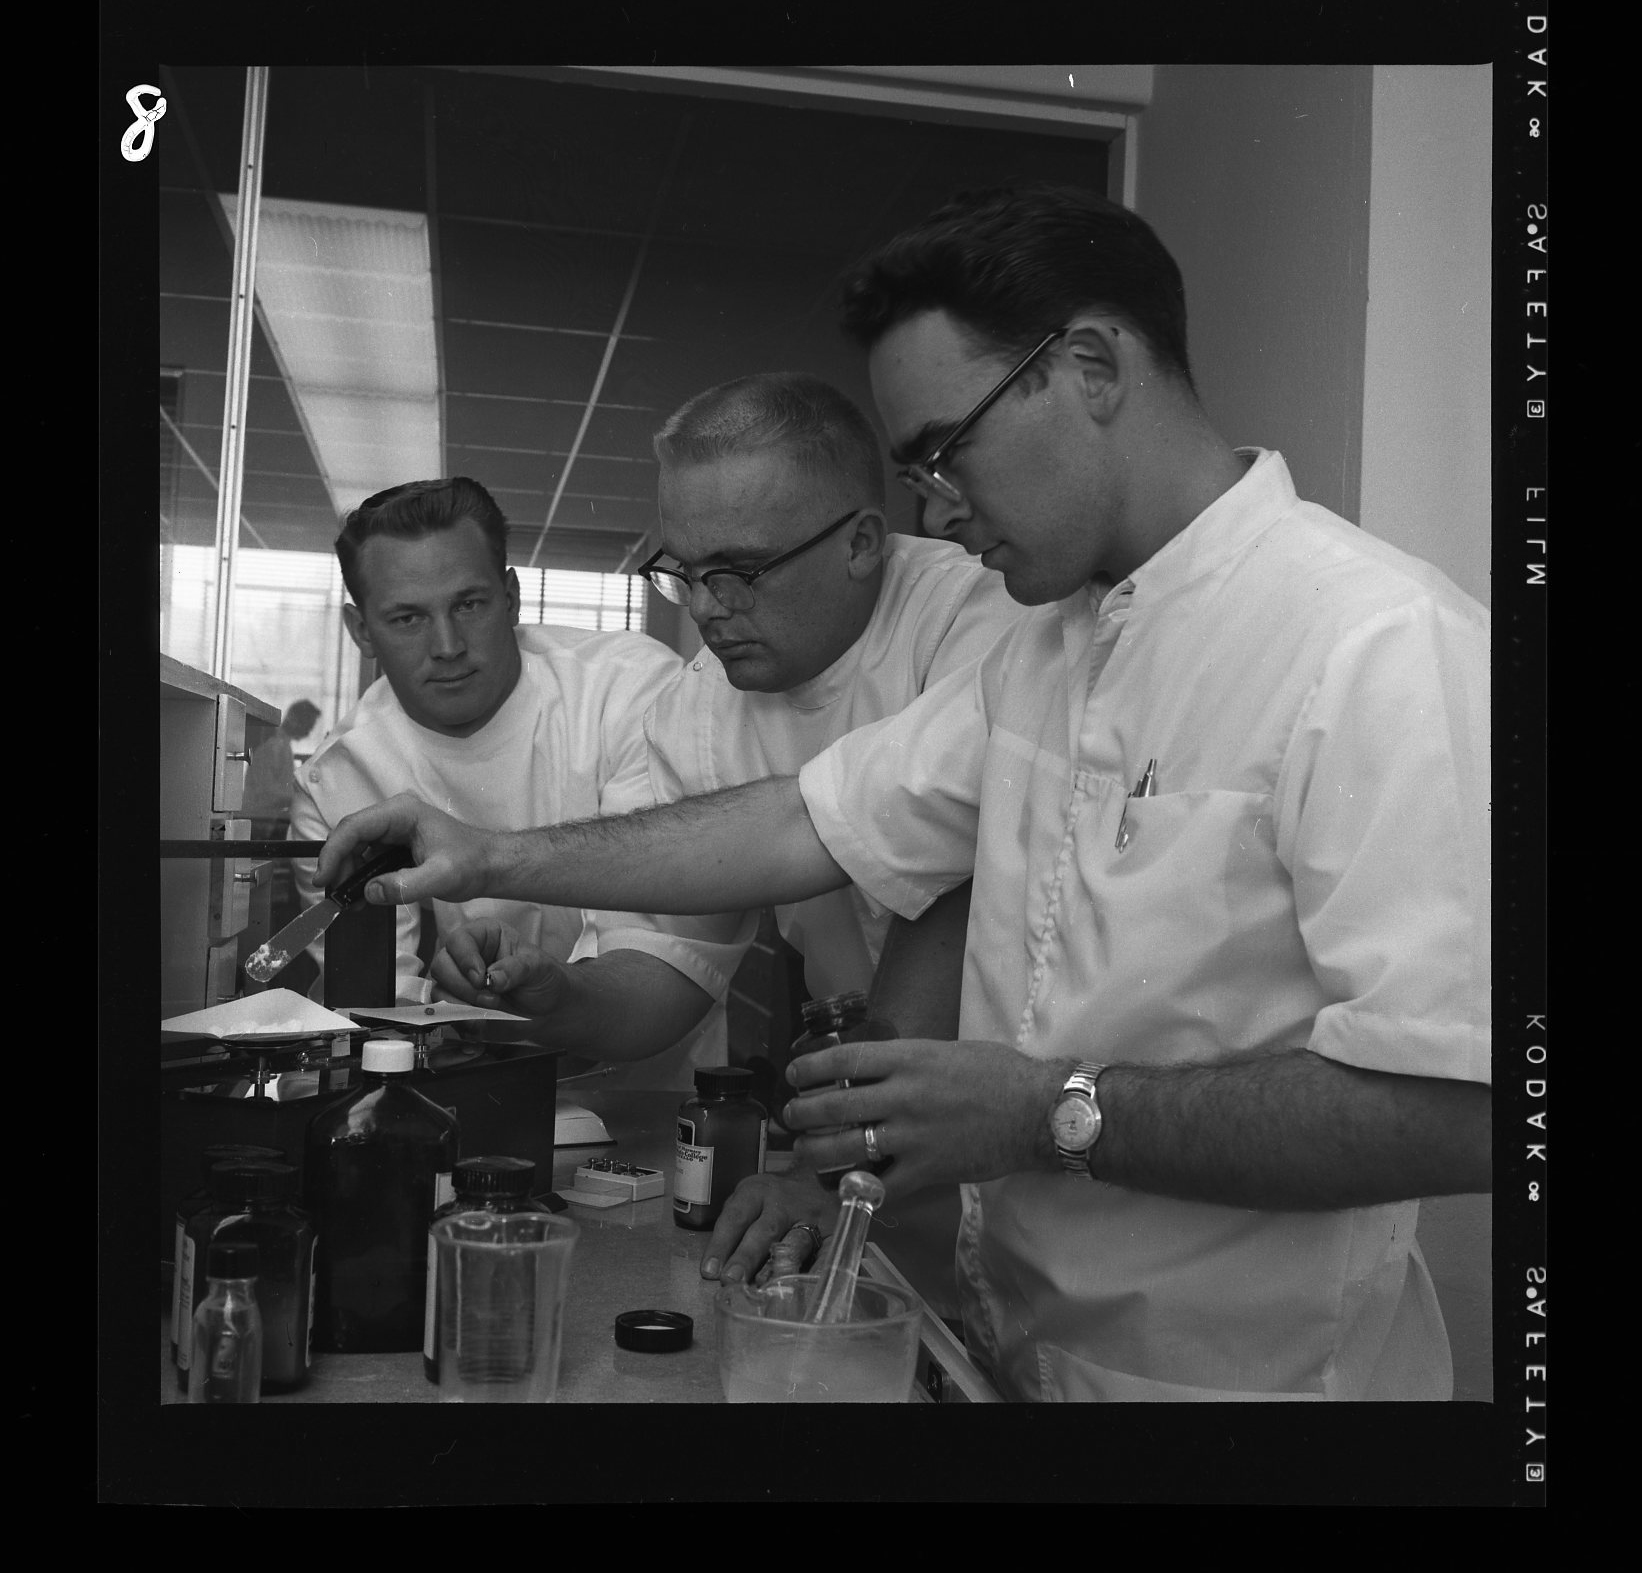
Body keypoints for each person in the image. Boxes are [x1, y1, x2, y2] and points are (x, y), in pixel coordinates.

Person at [314, 185, 1491, 1401]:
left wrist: (1053, 1115)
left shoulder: (1376, 643)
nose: (932, 499)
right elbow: (799, 820)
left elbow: (1466, 1112)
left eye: (945, 446)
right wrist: (481, 853)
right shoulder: (1052, 648)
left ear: (1089, 365)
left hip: (1255, 1399)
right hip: (1010, 1353)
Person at [429, 374, 1023, 1300]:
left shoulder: (981, 626)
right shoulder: (706, 707)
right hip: (873, 1153)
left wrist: (836, 1171)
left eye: (739, 572)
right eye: (684, 570)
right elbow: (669, 972)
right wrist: (554, 995)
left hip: (1021, 1142)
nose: (705, 607)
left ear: (862, 540)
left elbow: (943, 891)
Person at [288, 475, 727, 1088]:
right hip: (445, 1101)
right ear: (361, 631)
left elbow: (657, 950)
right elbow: (381, 1015)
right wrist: (440, 1001)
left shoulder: (633, 695)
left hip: (646, 1095)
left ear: (512, 596)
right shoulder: (339, 780)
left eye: (469, 604)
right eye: (408, 618)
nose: (447, 646)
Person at [242, 698, 321, 837]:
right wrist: (301, 796)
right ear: (294, 719)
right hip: (258, 822)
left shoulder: (283, 745)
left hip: (266, 820)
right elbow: (266, 791)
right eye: (307, 725)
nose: (308, 732)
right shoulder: (275, 746)